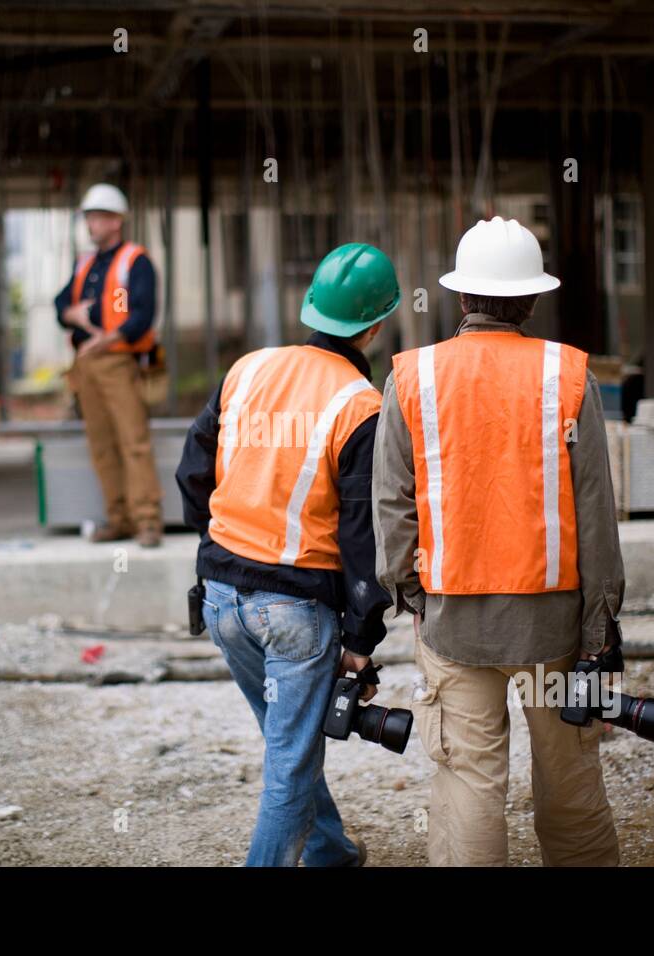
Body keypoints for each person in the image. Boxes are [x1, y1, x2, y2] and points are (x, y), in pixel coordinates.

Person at [373, 216, 623, 866]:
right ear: (533, 300)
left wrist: (408, 591)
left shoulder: (411, 378)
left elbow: (391, 507)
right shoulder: (568, 377)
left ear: (460, 298)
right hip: (553, 627)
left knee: (470, 786)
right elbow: (595, 511)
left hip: (453, 624)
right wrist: (598, 628)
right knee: (569, 785)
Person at [176, 243, 399, 866]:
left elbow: (193, 476)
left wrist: (216, 547)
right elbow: (364, 538)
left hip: (222, 600)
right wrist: (362, 635)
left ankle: (329, 851)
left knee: (288, 743)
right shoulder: (361, 406)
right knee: (291, 761)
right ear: (375, 326)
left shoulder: (247, 369)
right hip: (296, 609)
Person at [55, 183, 163, 548]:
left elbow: (143, 315)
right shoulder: (85, 263)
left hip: (118, 360)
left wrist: (106, 337)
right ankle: (119, 519)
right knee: (101, 444)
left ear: (116, 221)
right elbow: (60, 305)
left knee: (133, 442)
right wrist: (73, 314)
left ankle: (147, 519)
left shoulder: (136, 260)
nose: (90, 224)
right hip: (87, 363)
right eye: (88, 217)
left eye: (96, 217)